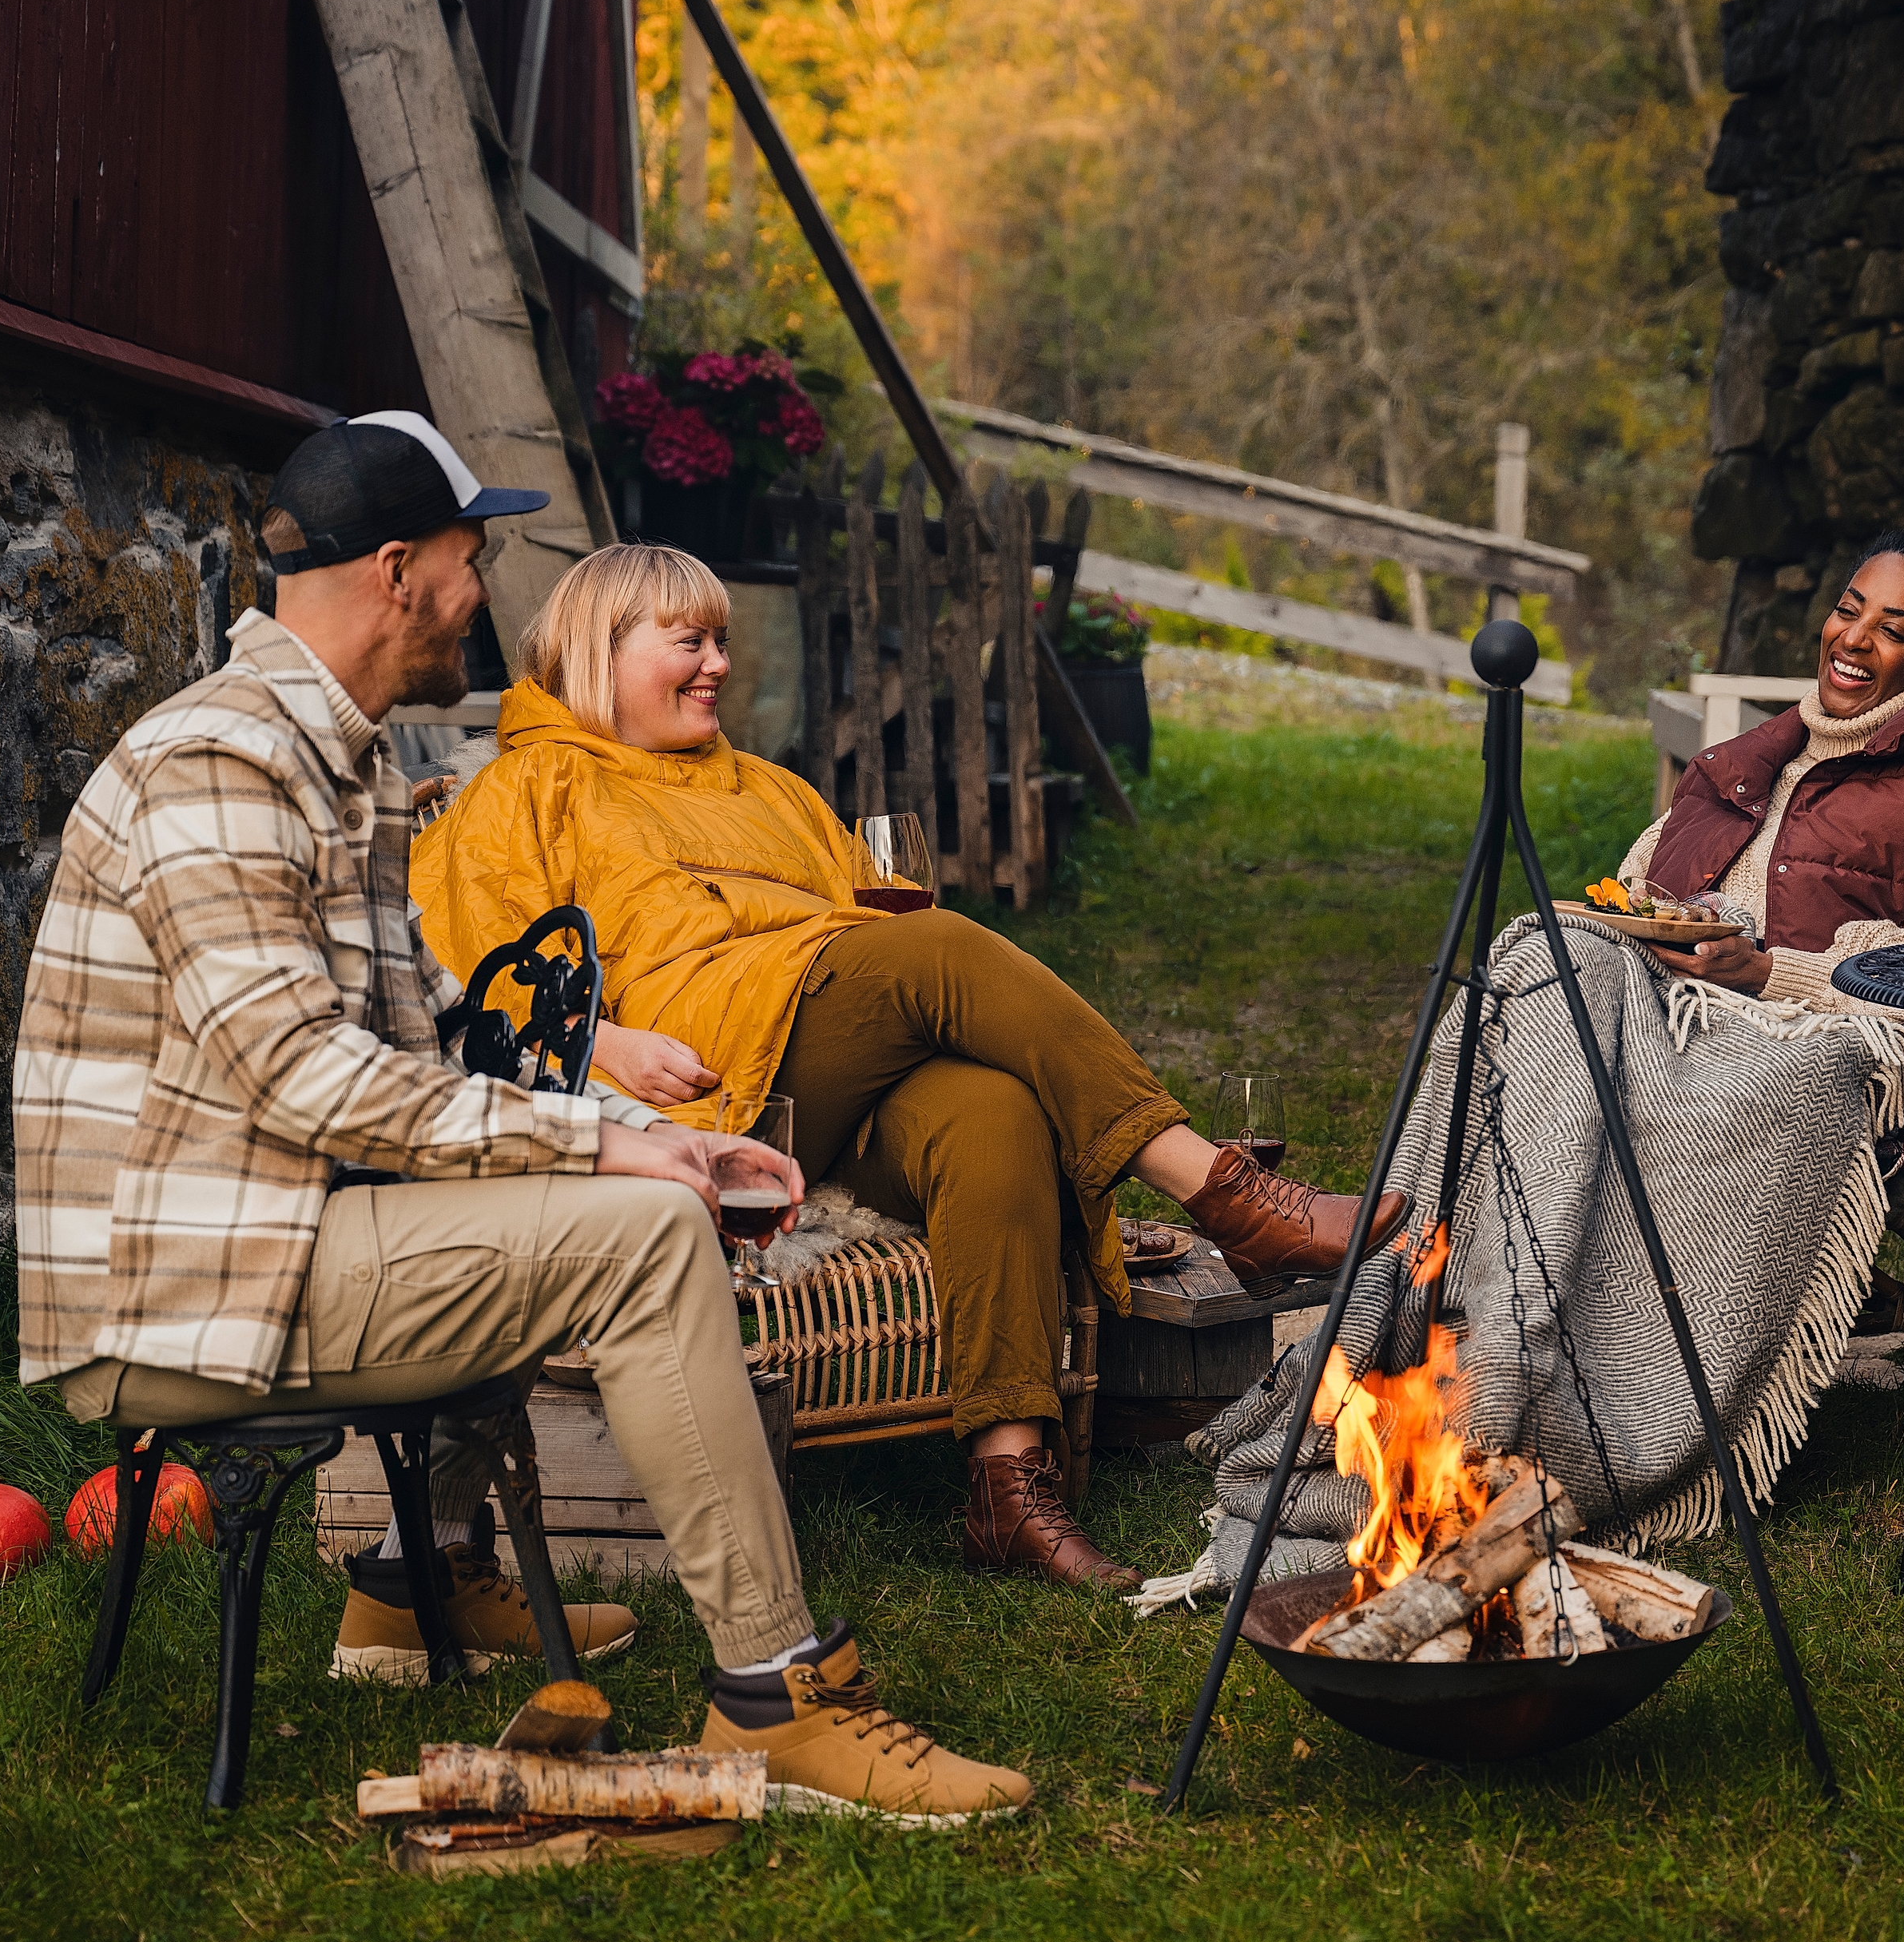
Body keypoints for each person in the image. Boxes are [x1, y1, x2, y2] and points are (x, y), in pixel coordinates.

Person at [14, 412, 1030, 1824]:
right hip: (189, 1291)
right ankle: (778, 1695)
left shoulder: (341, 763)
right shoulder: (221, 766)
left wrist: (654, 1130)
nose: (486, 590)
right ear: (394, 572)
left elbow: (447, 1040)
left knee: (617, 1197)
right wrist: (615, 1155)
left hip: (290, 1236)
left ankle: (398, 1592)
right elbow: (304, 1075)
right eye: (468, 557)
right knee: (636, 1241)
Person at [411, 542, 1407, 1593]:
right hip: (698, 1085)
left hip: (826, 1054)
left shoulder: (767, 788)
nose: (714, 664)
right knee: (933, 945)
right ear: (598, 652)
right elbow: (464, 983)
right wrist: (601, 1039)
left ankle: (1005, 1484)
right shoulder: (528, 788)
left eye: (722, 642)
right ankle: (1224, 1192)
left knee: (992, 1106)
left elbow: (865, 921)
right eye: (686, 641)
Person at [1619, 530, 1904, 1021]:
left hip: (1802, 1034)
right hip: (1663, 998)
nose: (1855, 639)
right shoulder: (1748, 758)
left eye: (1893, 631)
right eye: (1848, 611)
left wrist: (1765, 972)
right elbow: (1633, 887)